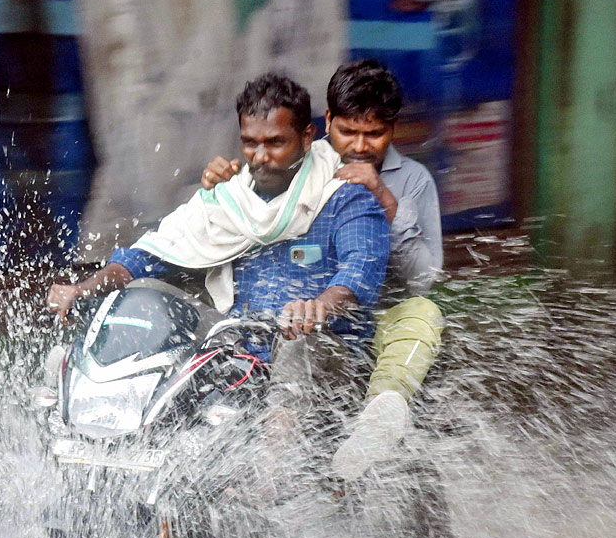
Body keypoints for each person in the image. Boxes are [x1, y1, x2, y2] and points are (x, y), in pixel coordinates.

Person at [46, 73, 390, 420]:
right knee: (145, 295)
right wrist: (81, 289)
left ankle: (278, 472)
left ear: (306, 136)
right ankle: (84, 406)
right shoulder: (227, 197)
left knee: (296, 347)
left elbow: (360, 269)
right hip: (240, 357)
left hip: (327, 361)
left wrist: (319, 307)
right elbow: (146, 256)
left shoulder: (346, 195)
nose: (260, 156)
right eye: (250, 143)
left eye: (275, 142)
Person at [200, 60, 446, 482]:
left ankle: (380, 415)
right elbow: (252, 206)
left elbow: (425, 278)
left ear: (394, 129)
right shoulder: (299, 163)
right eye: (348, 131)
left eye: (375, 134)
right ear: (326, 122)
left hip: (380, 322)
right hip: (306, 320)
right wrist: (219, 182)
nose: (361, 145)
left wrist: (385, 199)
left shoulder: (414, 180)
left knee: (424, 312)